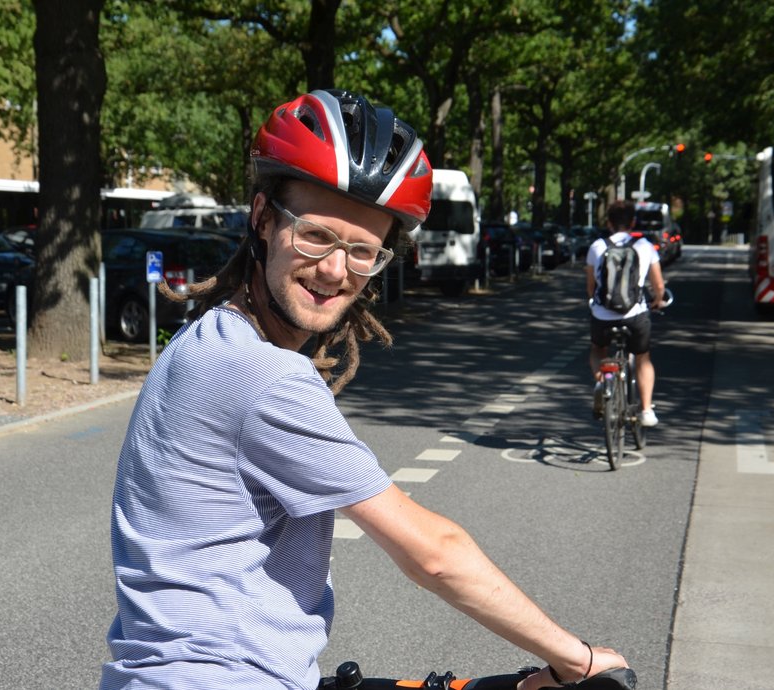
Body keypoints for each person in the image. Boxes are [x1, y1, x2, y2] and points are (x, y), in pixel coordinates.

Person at [100, 89, 629, 690]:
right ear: (264, 218)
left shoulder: (204, 341)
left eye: (362, 251)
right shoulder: (267, 376)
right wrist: (577, 660)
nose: (334, 270)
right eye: (317, 236)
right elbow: (434, 553)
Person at [586, 200, 666, 427]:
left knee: (597, 349)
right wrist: (658, 301)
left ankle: (602, 380)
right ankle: (647, 410)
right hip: (635, 315)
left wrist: (594, 303)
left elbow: (591, 287)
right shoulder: (645, 246)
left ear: (608, 222)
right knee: (642, 358)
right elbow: (658, 286)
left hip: (602, 315)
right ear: (633, 222)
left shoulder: (597, 246)